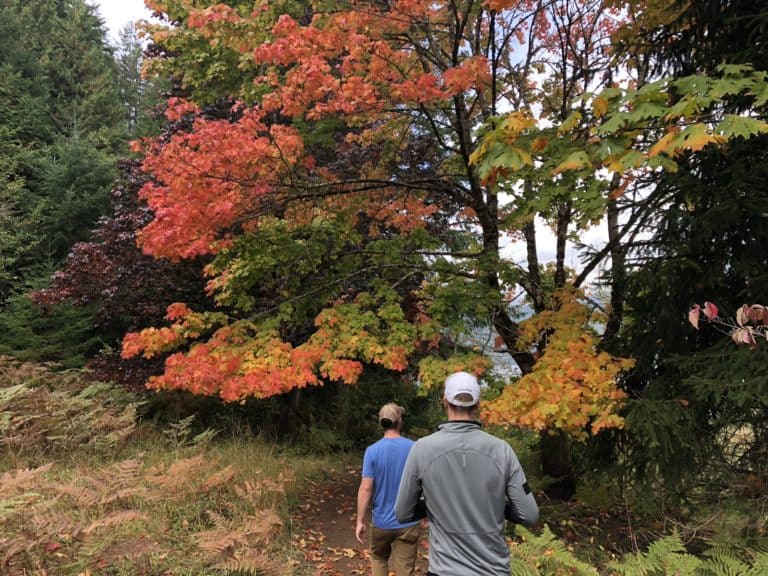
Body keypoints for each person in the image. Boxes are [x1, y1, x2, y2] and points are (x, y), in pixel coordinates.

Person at [394, 371, 539, 576]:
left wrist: (432, 505)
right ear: (478, 403)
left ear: (445, 401)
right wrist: (500, 507)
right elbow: (530, 514)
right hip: (493, 570)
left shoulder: (422, 449)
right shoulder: (502, 450)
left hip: (444, 570)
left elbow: (402, 513)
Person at [355, 402, 421, 576]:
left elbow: (366, 489)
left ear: (381, 422)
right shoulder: (415, 448)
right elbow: (424, 483)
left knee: (378, 558)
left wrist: (360, 521)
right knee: (406, 569)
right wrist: (427, 514)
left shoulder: (372, 451)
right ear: (400, 421)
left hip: (381, 522)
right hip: (408, 522)